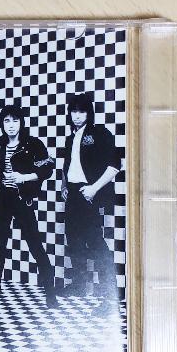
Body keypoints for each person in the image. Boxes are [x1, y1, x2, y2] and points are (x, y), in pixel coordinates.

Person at [0, 104, 58, 309]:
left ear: (21, 122)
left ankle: (50, 293)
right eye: (6, 121)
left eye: (15, 121)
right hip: (2, 199)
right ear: (2, 123)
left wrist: (24, 177)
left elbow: (48, 168)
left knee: (35, 244)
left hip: (22, 199)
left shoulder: (32, 144)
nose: (10, 125)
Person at [60, 93, 121, 316]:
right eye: (73, 111)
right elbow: (69, 166)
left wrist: (94, 188)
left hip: (89, 193)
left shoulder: (100, 133)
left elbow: (115, 166)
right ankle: (77, 284)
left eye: (81, 111)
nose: (77, 115)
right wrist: (65, 185)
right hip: (73, 194)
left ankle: (109, 297)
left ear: (89, 112)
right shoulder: (70, 138)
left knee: (95, 243)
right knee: (73, 239)